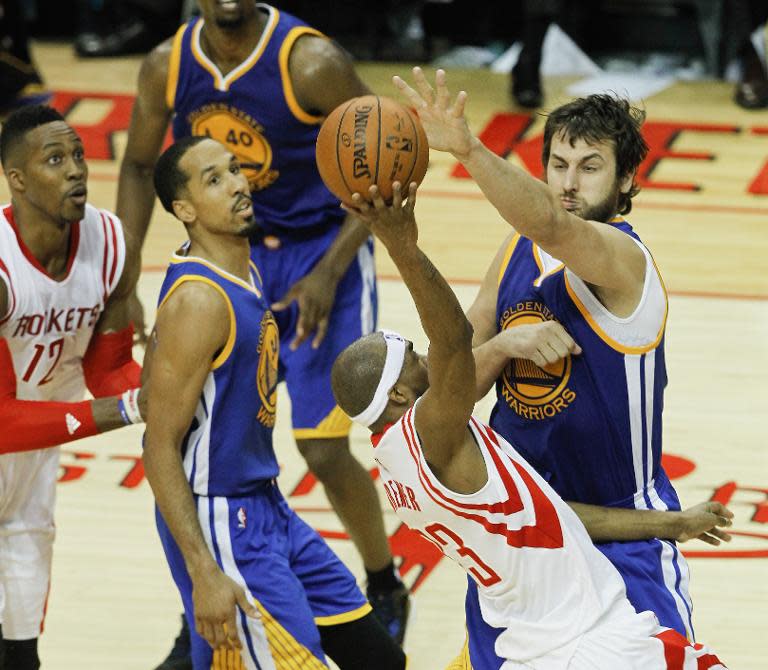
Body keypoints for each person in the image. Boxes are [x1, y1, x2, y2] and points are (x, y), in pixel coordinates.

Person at [330, 181, 729, 669]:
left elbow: (557, 519)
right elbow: (454, 338)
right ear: (397, 395)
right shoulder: (427, 434)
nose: (423, 354)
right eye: (411, 355)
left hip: (534, 638)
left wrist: (674, 523)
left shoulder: (399, 466)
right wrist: (401, 245)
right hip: (585, 644)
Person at [117, 4, 408, 663]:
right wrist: (121, 280)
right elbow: (160, 444)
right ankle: (208, 602)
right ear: (186, 208)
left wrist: (329, 271)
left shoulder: (311, 62)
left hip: (316, 251)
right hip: (226, 516)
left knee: (323, 446)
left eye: (234, 169)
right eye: (213, 176)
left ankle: (383, 580)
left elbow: (385, 154)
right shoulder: (201, 296)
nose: (238, 182)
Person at [393, 68, 723, 640]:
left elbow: (549, 221)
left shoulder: (623, 260)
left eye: (590, 168)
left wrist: (469, 149)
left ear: (625, 182)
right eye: (559, 165)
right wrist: (503, 345)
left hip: (624, 532)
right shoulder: (514, 251)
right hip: (518, 531)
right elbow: (454, 386)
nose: (569, 184)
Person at [0, 105, 144, 670]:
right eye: (55, 160)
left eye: (79, 155)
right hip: (16, 427)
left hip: (33, 456)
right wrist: (126, 407)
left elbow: (106, 369)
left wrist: (166, 383)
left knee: (20, 652)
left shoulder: (110, 243)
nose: (76, 170)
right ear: (17, 179)